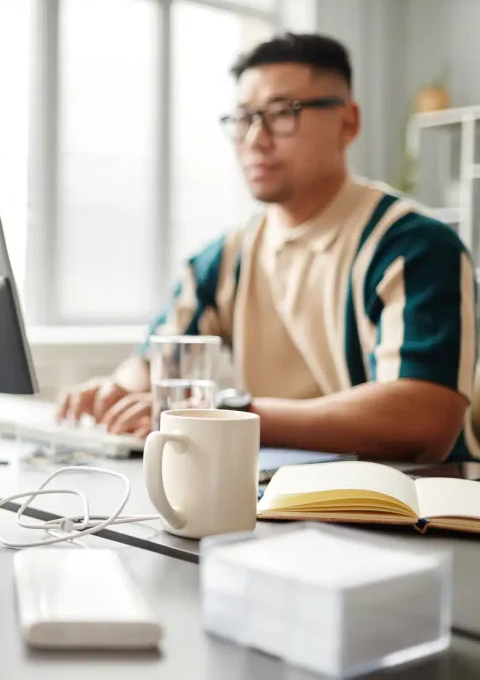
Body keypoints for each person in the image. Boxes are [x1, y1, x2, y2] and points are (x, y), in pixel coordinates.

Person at [56, 32, 478, 464]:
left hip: (413, 507)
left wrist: (229, 413)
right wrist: (118, 390)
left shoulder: (413, 247)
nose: (254, 139)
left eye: (282, 113)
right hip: (277, 500)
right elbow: (157, 358)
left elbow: (423, 420)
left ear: (348, 123)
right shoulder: (226, 257)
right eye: (243, 118)